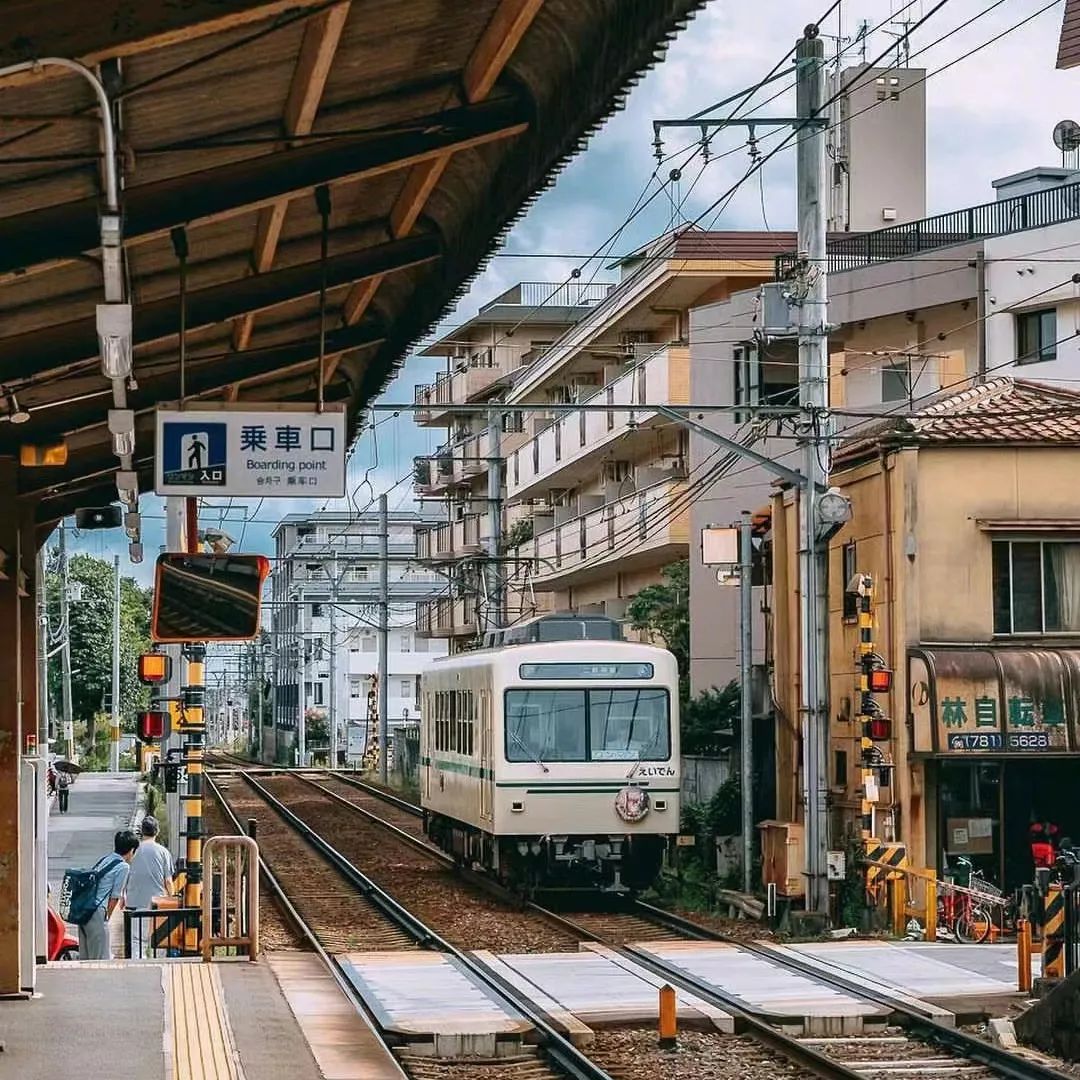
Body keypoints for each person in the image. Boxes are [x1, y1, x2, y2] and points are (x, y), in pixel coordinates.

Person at [78, 830, 139, 961]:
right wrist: (106, 917)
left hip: (84, 910)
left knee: (86, 957)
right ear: (132, 850)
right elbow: (115, 897)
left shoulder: (106, 859)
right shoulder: (123, 867)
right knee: (99, 958)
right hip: (97, 911)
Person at [126, 816, 175, 959]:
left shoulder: (133, 851)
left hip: (135, 904)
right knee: (159, 942)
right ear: (157, 831)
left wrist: (124, 896)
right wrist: (171, 899)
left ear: (142, 831)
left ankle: (138, 970)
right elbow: (168, 881)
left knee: (137, 942)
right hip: (157, 905)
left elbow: (127, 875)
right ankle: (159, 967)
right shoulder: (163, 852)